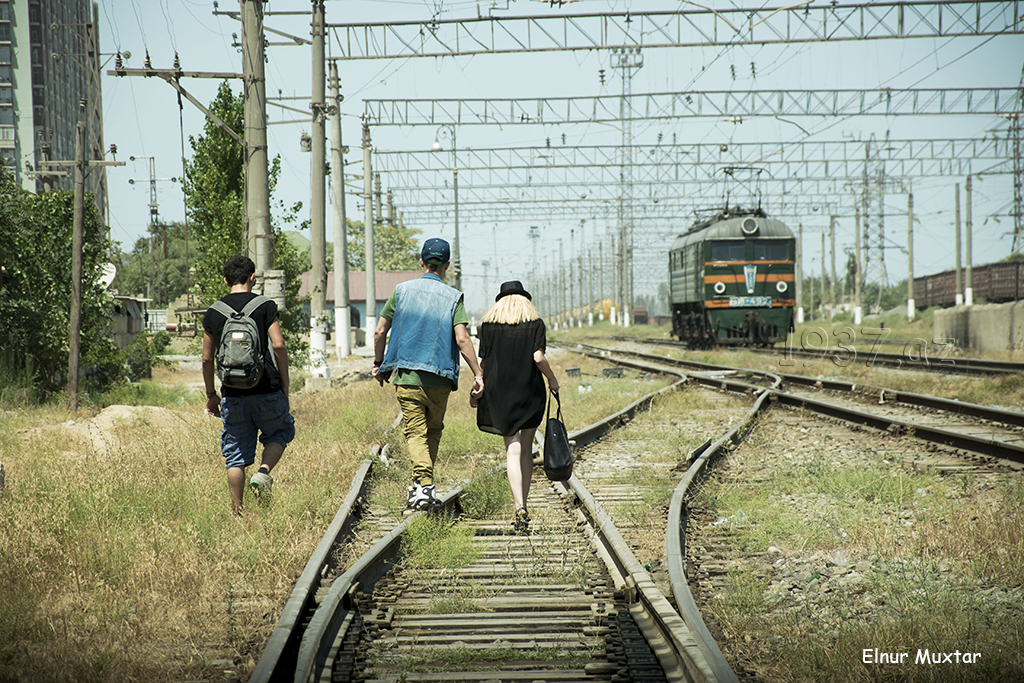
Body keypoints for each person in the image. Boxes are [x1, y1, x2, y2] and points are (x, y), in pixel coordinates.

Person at [372, 238, 485, 512]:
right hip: (439, 377)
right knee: (432, 431)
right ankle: (422, 485)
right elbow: (462, 339)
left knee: (415, 432)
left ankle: (422, 487)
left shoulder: (401, 291)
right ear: (446, 266)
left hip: (408, 375)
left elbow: (379, 331)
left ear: (421, 262)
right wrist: (478, 373)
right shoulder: (454, 297)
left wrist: (379, 363)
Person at [202, 255, 294, 515]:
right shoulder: (265, 306)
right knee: (280, 433)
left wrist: (211, 395)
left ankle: (238, 511)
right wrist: (285, 384)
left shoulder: (213, 313)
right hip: (266, 387)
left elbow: (207, 358)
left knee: (235, 454)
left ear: (225, 280)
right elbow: (278, 345)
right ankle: (263, 473)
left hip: (232, 391)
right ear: (252, 278)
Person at [473, 280, 559, 534]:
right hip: (530, 390)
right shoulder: (536, 324)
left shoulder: (487, 326)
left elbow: (484, 363)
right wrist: (552, 379)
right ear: (524, 300)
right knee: (527, 450)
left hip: (499, 393)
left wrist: (476, 387)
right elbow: (538, 357)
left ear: (500, 301)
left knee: (512, 448)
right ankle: (525, 503)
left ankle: (519, 506)